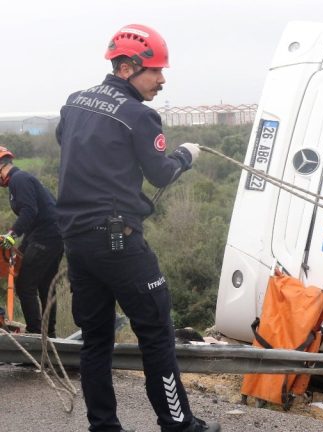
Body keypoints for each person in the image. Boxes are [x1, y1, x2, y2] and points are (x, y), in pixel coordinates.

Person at [55, 24, 219, 432]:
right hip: (118, 242)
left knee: (96, 340)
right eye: (156, 71)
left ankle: (104, 427)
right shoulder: (138, 115)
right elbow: (160, 174)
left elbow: (72, 143)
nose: (162, 81)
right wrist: (184, 155)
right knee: (156, 333)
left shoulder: (74, 103)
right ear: (128, 67)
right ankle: (178, 425)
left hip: (76, 242)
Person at [0, 146, 63, 337]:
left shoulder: (19, 180)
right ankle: (48, 334)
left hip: (47, 235)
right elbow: (35, 216)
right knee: (45, 284)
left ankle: (35, 334)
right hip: (48, 234)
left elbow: (29, 211)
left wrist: (12, 234)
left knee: (25, 283)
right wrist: (20, 244)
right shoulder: (19, 181)